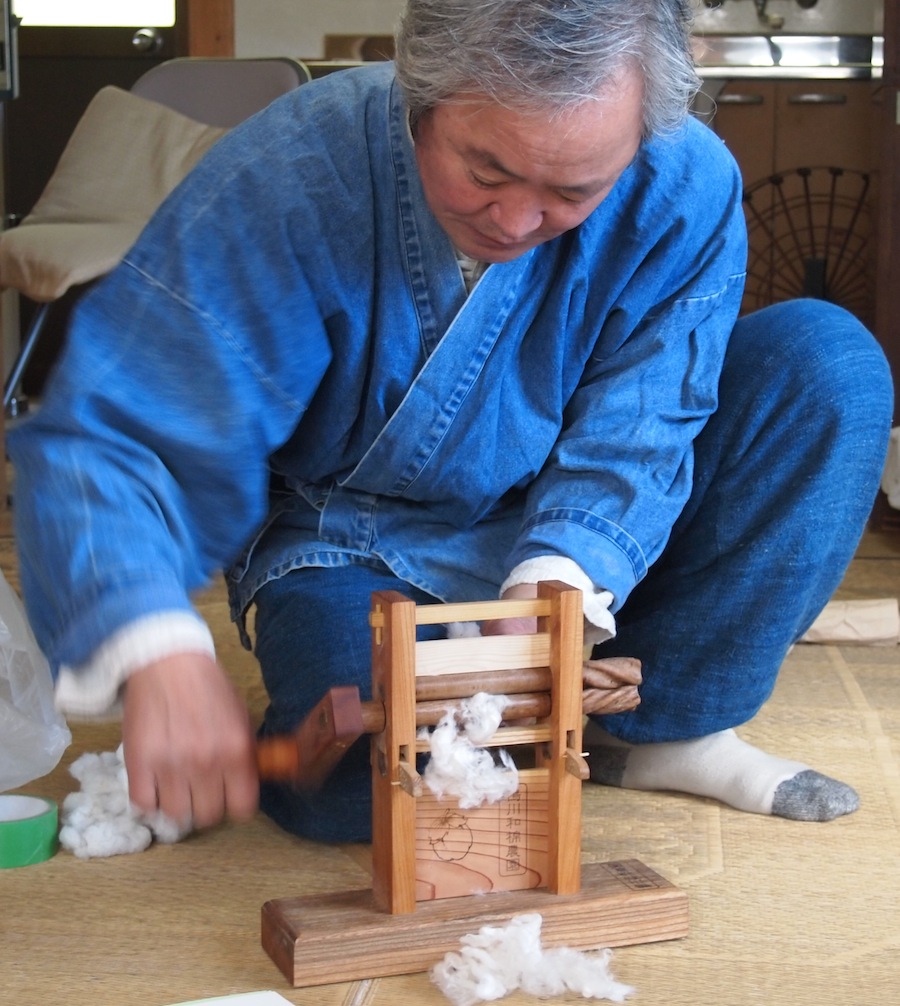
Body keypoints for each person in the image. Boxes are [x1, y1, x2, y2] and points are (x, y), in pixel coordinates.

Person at [9, 0, 892, 843]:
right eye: (484, 170)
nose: (514, 221)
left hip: (572, 536)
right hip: (349, 535)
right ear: (421, 93)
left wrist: (556, 584)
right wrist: (157, 647)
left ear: (637, 139)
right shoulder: (291, 171)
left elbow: (648, 414)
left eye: (573, 190)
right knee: (359, 789)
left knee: (828, 365)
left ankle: (668, 731)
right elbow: (127, 430)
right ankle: (546, 725)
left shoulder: (683, 180)